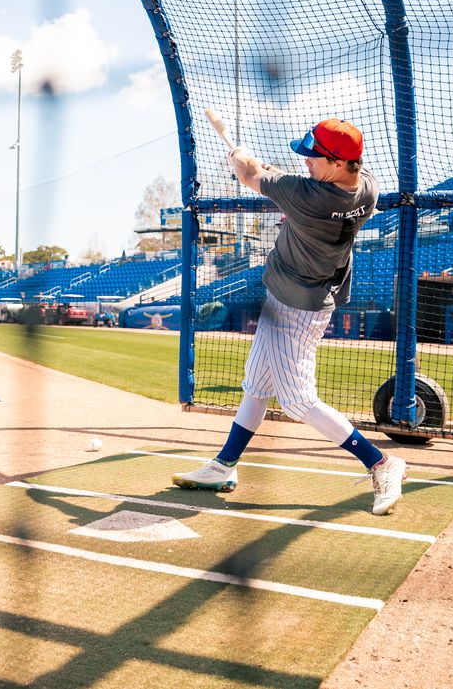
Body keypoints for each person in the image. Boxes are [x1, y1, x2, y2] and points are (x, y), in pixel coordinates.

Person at [172, 118, 407, 515]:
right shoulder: (367, 186)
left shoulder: (309, 196)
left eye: (313, 157)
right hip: (302, 296)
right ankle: (224, 465)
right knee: (257, 385)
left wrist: (240, 156)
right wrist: (259, 166)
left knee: (298, 402)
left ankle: (381, 463)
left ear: (336, 163)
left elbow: (249, 172)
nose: (306, 163)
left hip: (296, 307)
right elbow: (273, 174)